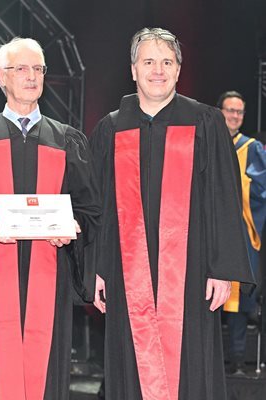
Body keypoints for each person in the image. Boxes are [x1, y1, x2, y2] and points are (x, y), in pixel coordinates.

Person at [89, 27, 255, 400]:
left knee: (190, 365)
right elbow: (96, 206)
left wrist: (222, 269)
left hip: (191, 274)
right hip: (124, 273)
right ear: (133, 70)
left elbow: (225, 200)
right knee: (129, 361)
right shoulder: (111, 128)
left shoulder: (206, 123)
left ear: (179, 70)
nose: (158, 70)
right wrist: (95, 268)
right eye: (148, 61)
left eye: (167, 62)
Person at [0, 37, 101, 400]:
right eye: (22, 68)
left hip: (51, 275)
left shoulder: (68, 141)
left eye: (39, 69)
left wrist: (73, 230)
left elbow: (90, 209)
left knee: (45, 368)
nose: (32, 77)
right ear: (2, 77)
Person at [218, 90, 266, 374]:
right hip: (209, 233)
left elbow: (261, 191)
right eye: (229, 110)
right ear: (219, 111)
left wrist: (242, 189)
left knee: (239, 299)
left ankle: (236, 361)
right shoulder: (205, 142)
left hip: (239, 233)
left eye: (239, 112)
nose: (234, 116)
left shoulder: (252, 148)